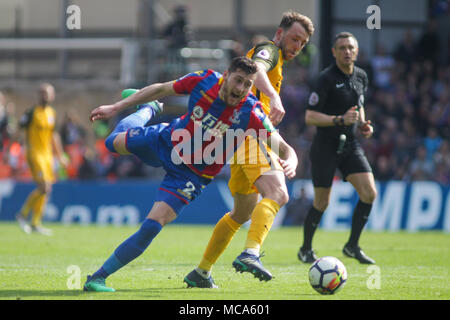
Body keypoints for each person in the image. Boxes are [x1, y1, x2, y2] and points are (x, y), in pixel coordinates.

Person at [83, 56, 298, 292]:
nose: (241, 89)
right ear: (226, 75)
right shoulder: (204, 80)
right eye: (238, 80)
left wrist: (291, 159)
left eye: (247, 84)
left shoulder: (252, 112)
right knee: (112, 143)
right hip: (167, 142)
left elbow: (285, 147)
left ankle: (97, 278)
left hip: (190, 176)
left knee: (152, 226)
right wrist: (115, 107)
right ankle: (147, 111)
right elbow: (161, 88)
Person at [184, 10, 314, 288]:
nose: (296, 46)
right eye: (294, 39)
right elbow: (257, 67)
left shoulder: (278, 59)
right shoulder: (270, 50)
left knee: (241, 214)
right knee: (278, 193)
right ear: (280, 34)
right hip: (253, 135)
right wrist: (274, 95)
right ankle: (251, 253)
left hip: (239, 140)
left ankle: (201, 272)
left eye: (302, 43)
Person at [297, 32, 377, 265]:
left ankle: (352, 246)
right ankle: (305, 249)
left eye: (350, 47)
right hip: (325, 145)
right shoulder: (325, 79)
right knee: (322, 202)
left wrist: (363, 124)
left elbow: (358, 105)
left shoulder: (361, 76)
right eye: (341, 47)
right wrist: (339, 120)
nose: (347, 51)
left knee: (369, 193)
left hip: (350, 144)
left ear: (357, 51)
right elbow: (310, 117)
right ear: (334, 52)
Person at [15, 83, 67, 235]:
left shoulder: (52, 113)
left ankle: (35, 223)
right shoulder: (31, 112)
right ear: (39, 95)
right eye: (42, 93)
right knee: (44, 187)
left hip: (47, 156)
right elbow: (19, 128)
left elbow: (54, 136)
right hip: (34, 154)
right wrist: (9, 149)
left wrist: (60, 155)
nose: (45, 96)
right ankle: (22, 214)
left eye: (48, 93)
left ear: (52, 96)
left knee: (46, 190)